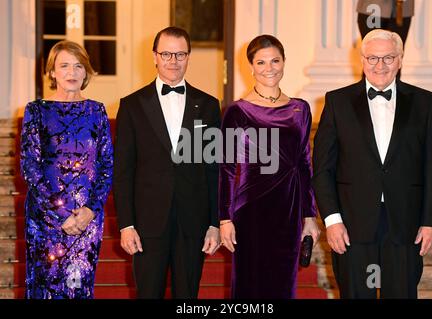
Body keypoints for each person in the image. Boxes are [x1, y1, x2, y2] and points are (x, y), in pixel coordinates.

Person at [312, 29, 432, 299]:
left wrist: (431, 221)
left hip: (405, 225)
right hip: (351, 225)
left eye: (388, 58)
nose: (379, 65)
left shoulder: (424, 102)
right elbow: (323, 169)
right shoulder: (337, 102)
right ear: (361, 60)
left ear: (400, 60)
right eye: (372, 58)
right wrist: (332, 220)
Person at [114, 26, 221, 299]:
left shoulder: (209, 104)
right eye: (166, 54)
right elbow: (123, 171)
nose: (173, 61)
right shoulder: (131, 105)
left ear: (188, 56)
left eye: (180, 54)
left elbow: (213, 169)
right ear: (154, 56)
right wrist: (126, 225)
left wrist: (214, 223)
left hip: (193, 220)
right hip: (148, 222)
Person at [219, 34, 321, 299]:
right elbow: (227, 168)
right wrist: (225, 217)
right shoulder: (237, 111)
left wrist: (309, 216)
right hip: (250, 210)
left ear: (284, 62)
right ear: (250, 66)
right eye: (261, 62)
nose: (269, 68)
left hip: (288, 211)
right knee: (249, 286)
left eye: (275, 60)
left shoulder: (300, 109)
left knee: (283, 285)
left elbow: (304, 163)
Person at [20, 40, 113, 299]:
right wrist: (61, 214)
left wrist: (90, 211)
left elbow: (106, 166)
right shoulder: (36, 111)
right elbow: (30, 168)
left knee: (78, 288)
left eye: (78, 66)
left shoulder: (97, 111)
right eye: (64, 66)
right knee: (47, 288)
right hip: (46, 219)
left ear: (86, 72)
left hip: (87, 220)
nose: (71, 72)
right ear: (52, 72)